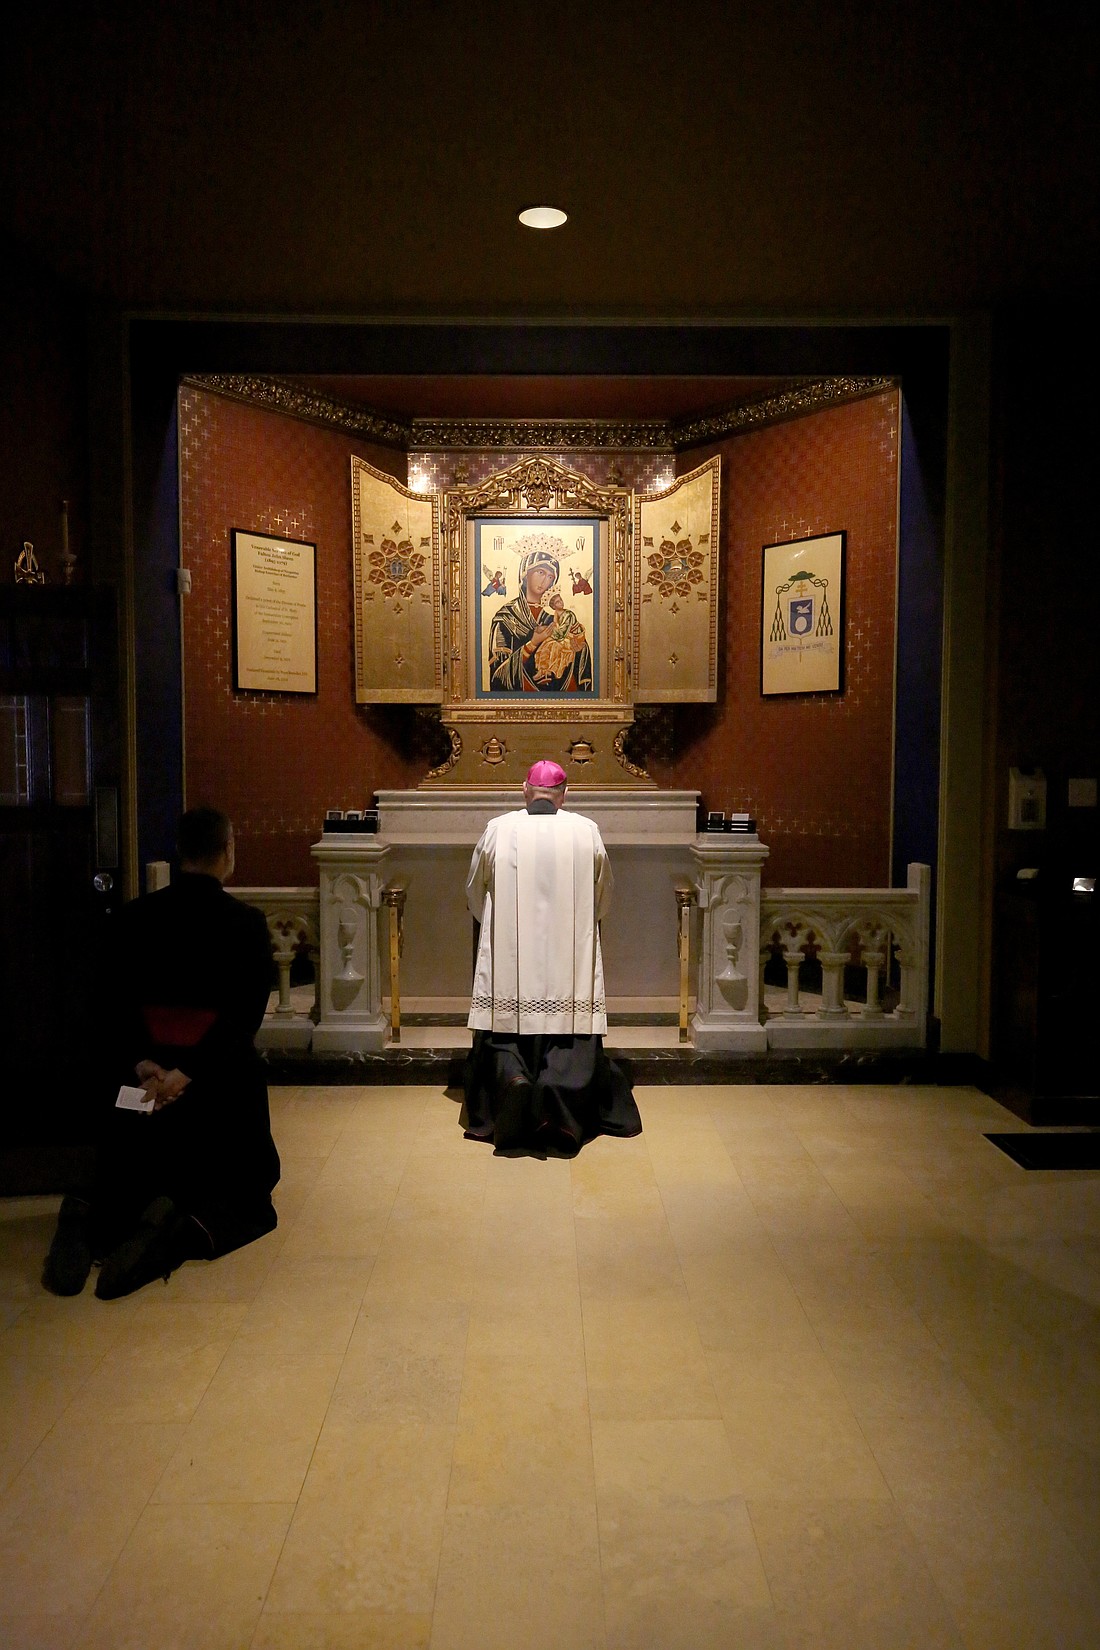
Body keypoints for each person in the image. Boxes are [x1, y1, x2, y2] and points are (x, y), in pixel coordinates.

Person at [42, 807, 280, 1299]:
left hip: (142, 1091)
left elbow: (109, 1003)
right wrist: (188, 1072)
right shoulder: (245, 924)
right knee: (251, 1201)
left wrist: (143, 1063)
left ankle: (87, 1222)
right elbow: (242, 1019)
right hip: (214, 1094)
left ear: (179, 851)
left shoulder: (132, 918)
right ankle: (171, 1236)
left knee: (127, 1180)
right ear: (228, 850)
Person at [461, 760, 642, 1154]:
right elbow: (603, 895)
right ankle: (558, 1100)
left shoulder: (498, 829)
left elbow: (475, 890)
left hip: (511, 960)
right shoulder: (586, 831)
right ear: (564, 794)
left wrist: (497, 924)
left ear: (525, 789)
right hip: (569, 961)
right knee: (570, 1027)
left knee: (505, 1025)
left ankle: (513, 1080)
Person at [487, 547, 593, 693]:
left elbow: (580, 652)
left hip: (561, 699)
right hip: (518, 701)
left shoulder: (553, 616)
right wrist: (532, 644)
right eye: (541, 572)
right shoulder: (506, 617)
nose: (545, 580)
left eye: (550, 577)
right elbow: (498, 674)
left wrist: (578, 641)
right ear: (525, 574)